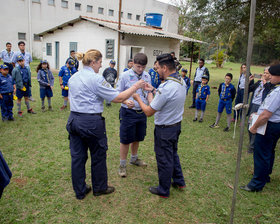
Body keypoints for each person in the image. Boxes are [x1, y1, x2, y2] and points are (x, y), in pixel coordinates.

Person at [66, 49, 145, 200]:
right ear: (93, 62)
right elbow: (117, 97)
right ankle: (100, 187)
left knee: (77, 157)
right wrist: (135, 87)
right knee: (98, 154)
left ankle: (80, 190)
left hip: (74, 119)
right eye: (100, 62)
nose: (101, 66)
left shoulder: (73, 77)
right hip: (91, 122)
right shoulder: (96, 79)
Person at [133, 53, 186, 198]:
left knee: (164, 159)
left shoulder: (166, 87)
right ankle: (179, 181)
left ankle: (163, 190)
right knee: (173, 154)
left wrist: (138, 97)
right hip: (175, 126)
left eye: (158, 69)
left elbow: (149, 111)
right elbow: (166, 98)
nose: (156, 71)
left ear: (164, 68)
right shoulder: (181, 81)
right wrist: (153, 91)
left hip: (165, 129)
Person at [240, 64, 280, 192]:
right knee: (269, 151)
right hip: (274, 125)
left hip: (269, 126)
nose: (269, 77)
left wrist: (254, 127)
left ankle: (256, 184)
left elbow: (266, 114)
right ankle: (265, 175)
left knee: (261, 153)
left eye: (272, 75)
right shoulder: (274, 89)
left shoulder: (277, 92)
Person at [116, 53, 153, 177]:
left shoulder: (147, 76)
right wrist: (126, 101)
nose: (141, 69)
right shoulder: (125, 75)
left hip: (141, 112)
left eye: (143, 67)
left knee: (137, 137)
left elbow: (148, 93)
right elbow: (117, 94)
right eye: (138, 66)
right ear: (132, 63)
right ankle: (122, 165)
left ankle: (134, 158)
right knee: (125, 139)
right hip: (128, 112)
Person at [246, 67, 275, 153]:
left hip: (261, 107)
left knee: (257, 126)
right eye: (264, 72)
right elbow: (248, 90)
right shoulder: (259, 82)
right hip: (253, 105)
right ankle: (251, 142)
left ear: (270, 75)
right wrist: (250, 81)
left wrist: (265, 83)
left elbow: (268, 94)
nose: (264, 74)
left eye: (266, 73)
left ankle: (252, 146)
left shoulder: (271, 85)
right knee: (250, 125)